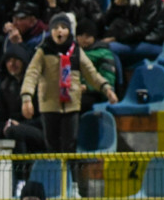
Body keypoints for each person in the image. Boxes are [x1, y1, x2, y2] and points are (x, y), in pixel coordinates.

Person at [20, 13, 117, 153]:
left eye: (64, 27)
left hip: (71, 105)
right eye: (56, 28)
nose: (59, 31)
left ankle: (71, 174)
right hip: (49, 106)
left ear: (69, 31)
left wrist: (106, 88)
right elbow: (31, 74)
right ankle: (57, 174)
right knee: (52, 146)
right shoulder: (43, 51)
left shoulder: (76, 51)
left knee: (70, 145)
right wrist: (27, 97)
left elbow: (91, 74)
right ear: (50, 31)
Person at [99, 0, 164, 67]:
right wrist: (117, 4)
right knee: (97, 48)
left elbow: (143, 28)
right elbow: (105, 22)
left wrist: (117, 38)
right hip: (129, 40)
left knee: (109, 49)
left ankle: (119, 83)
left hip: (149, 41)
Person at [76, 21, 118, 113]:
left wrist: (87, 87)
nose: (84, 39)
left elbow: (108, 79)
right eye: (80, 35)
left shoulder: (104, 53)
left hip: (96, 93)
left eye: (87, 36)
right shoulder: (72, 52)